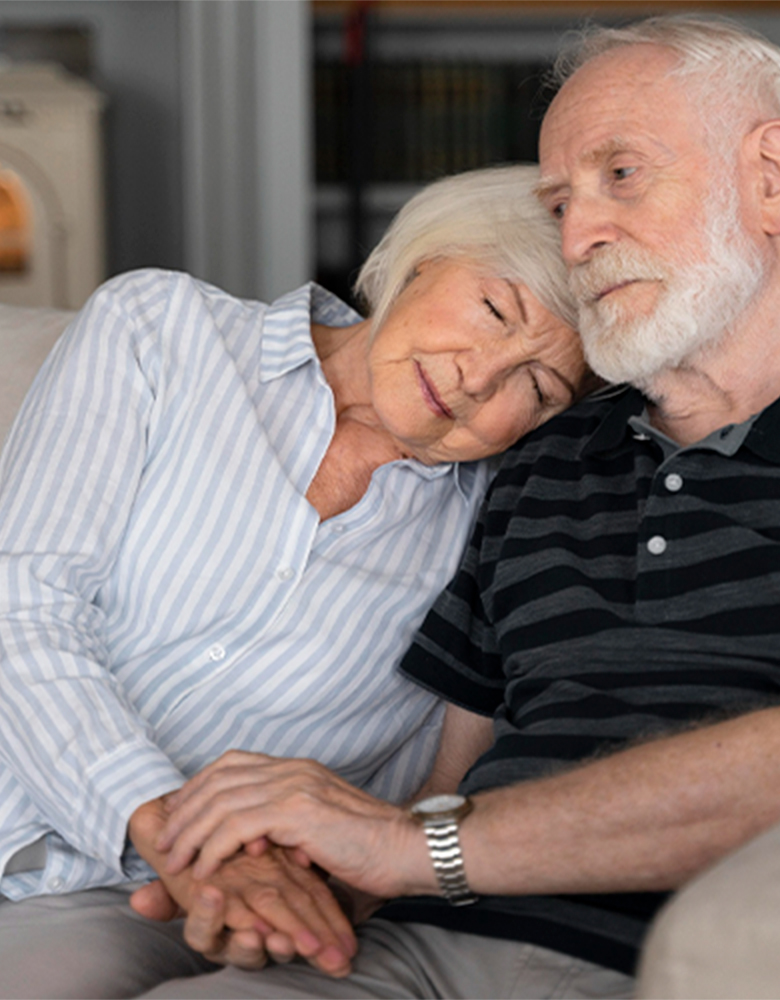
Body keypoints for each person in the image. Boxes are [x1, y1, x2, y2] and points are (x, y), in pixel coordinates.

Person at [126, 14, 780, 1000]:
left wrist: (415, 849)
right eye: (558, 198)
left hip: (687, 959)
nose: (577, 233)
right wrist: (285, 885)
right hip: (416, 946)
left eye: (619, 174)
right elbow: (451, 780)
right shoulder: (548, 455)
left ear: (770, 179)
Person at [0, 165, 593, 998]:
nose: (478, 376)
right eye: (495, 310)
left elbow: (455, 774)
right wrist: (171, 827)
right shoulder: (163, 330)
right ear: (427, 255)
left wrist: (273, 875)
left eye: (538, 385)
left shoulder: (506, 517)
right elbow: (23, 603)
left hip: (160, 903)